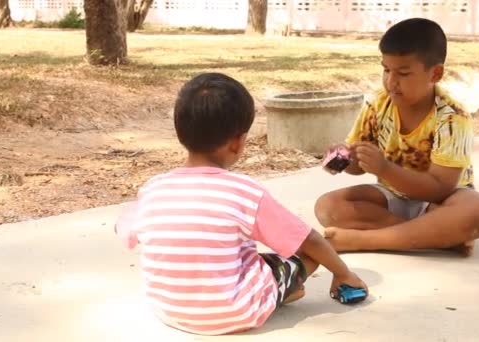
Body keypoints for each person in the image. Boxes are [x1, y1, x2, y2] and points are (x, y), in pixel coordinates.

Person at [115, 72, 367, 336]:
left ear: (181, 133)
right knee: (304, 255)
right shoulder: (244, 191)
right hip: (235, 313)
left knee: (232, 255)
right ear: (237, 143)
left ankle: (273, 293)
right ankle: (275, 295)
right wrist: (343, 273)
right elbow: (308, 239)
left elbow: (126, 233)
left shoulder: (153, 188)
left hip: (169, 311)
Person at [315, 18, 479, 257]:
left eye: (403, 73)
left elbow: (440, 188)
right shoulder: (377, 105)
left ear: (436, 73)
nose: (391, 81)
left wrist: (384, 168)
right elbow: (358, 167)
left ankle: (365, 240)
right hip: (393, 197)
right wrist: (345, 160)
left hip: (444, 202)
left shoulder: (452, 118)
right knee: (328, 207)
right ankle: (439, 237)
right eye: (386, 69)